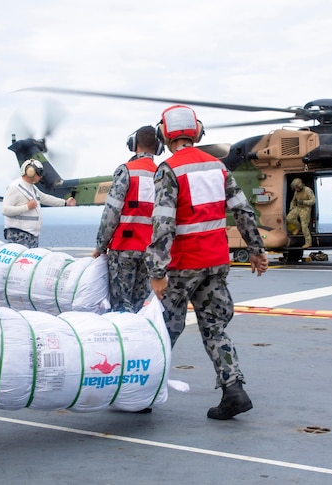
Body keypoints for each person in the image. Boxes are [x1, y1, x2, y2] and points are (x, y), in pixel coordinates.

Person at [146, 105, 269, 420]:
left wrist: (157, 270)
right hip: (215, 262)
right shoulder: (217, 167)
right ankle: (234, 389)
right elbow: (243, 209)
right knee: (214, 328)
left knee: (164, 329)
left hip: (181, 265)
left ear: (164, 134)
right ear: (198, 131)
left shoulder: (168, 169)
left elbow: (163, 222)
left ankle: (141, 390)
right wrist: (255, 247)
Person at [92, 125, 162, 313]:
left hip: (124, 248)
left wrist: (100, 245)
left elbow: (111, 213)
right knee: (137, 305)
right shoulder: (163, 174)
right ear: (158, 148)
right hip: (149, 252)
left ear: (134, 144)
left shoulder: (127, 171)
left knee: (121, 306)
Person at [1, 159, 76, 247]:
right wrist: (27, 207)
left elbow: (46, 198)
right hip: (19, 234)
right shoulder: (15, 187)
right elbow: (5, 210)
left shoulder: (32, 188)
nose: (41, 177)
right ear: (30, 172)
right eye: (39, 173)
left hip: (31, 235)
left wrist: (65, 203)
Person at [285, 178, 316, 248]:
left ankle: (308, 242)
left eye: (296, 188)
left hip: (306, 208)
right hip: (298, 207)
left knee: (304, 226)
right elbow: (293, 200)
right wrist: (291, 208)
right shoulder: (296, 192)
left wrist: (304, 202)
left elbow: (313, 201)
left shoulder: (308, 190)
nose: (296, 189)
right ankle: (298, 227)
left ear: (300, 186)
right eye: (295, 188)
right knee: (289, 218)